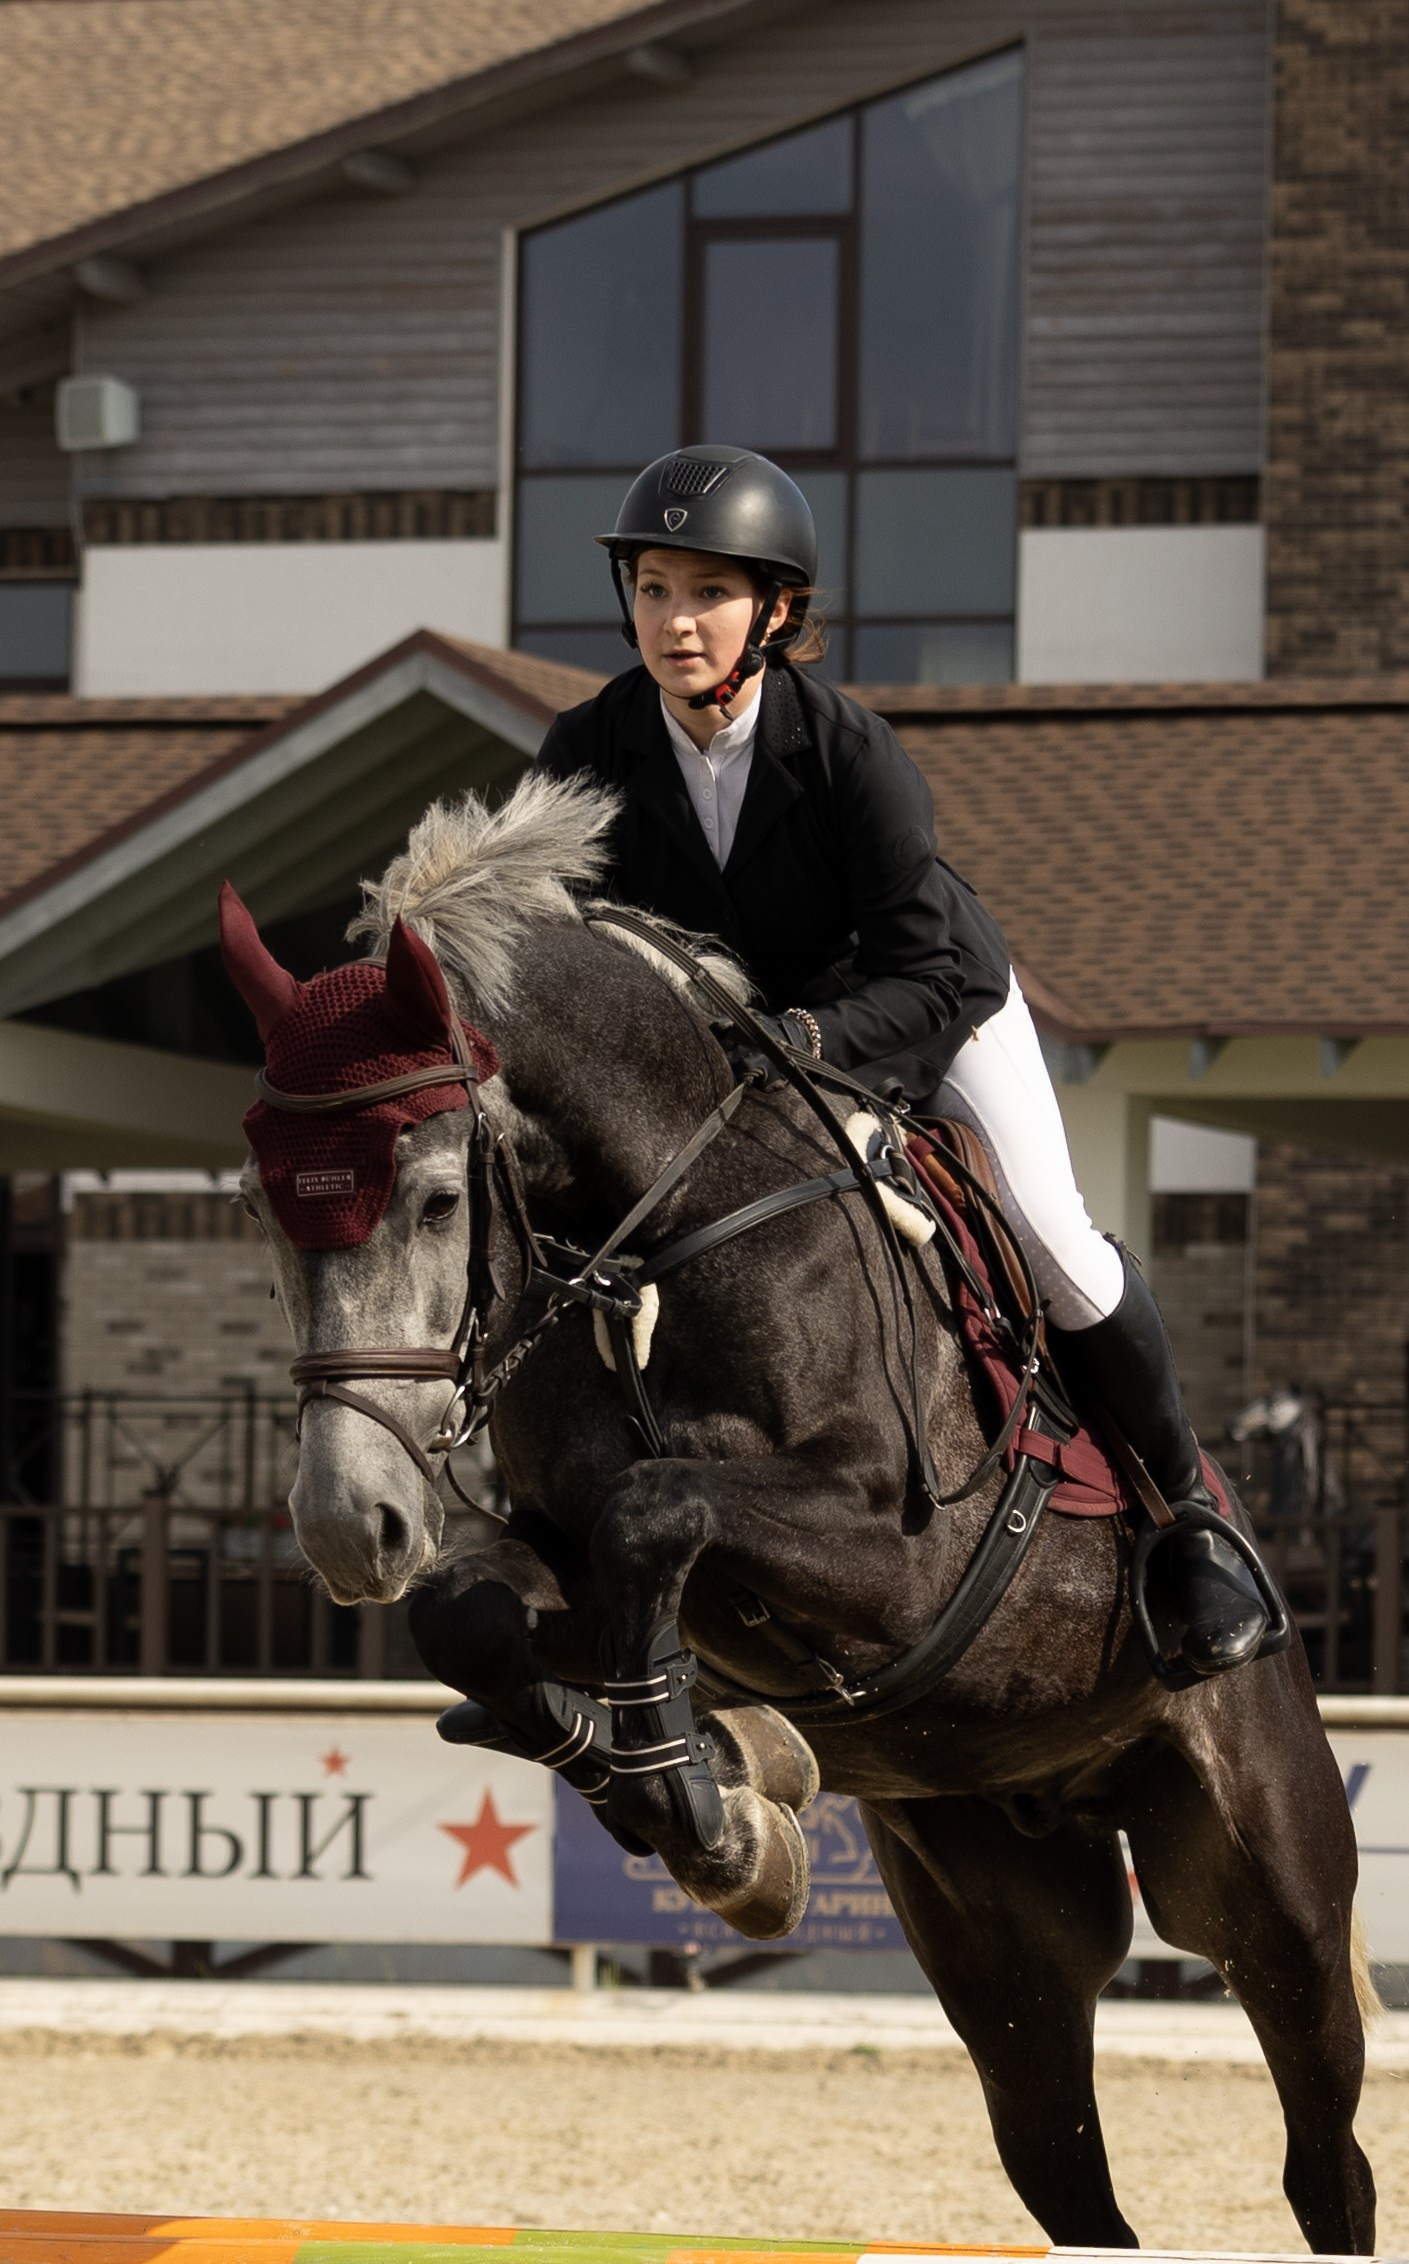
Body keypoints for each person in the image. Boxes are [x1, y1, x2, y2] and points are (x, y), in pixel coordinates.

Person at [529, 444, 1272, 1682]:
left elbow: (924, 972)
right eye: (653, 589)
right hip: (730, 1062)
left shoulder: (849, 752)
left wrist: (813, 1044)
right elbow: (555, 956)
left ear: (775, 611)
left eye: (706, 593)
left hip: (925, 1012)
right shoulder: (584, 749)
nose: (674, 621)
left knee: (1054, 1241)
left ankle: (1187, 1517)